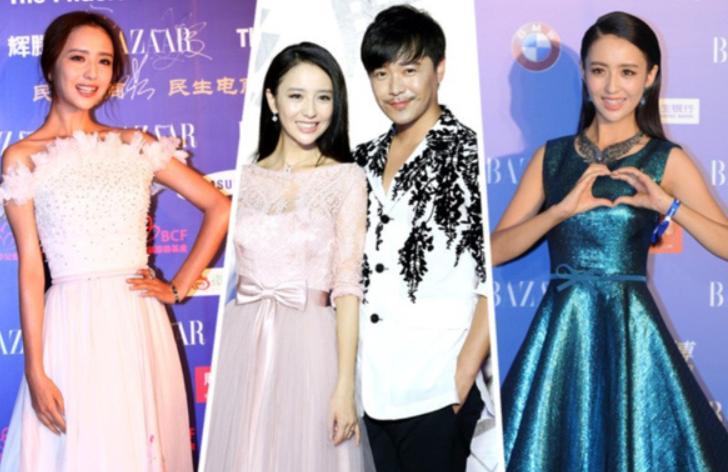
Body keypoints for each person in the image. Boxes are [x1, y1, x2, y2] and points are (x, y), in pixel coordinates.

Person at [492, 11, 728, 471]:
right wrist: (559, 211)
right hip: (562, 335)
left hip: (631, 336)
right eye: (600, 70)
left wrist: (667, 204)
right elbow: (497, 250)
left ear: (650, 78)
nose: (612, 87)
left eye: (628, 72)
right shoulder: (551, 157)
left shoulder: (666, 159)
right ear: (584, 74)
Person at [0, 11, 230, 472]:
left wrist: (178, 286)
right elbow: (30, 267)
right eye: (78, 58)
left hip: (136, 319)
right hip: (70, 323)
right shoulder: (22, 156)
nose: (92, 73)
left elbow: (219, 208)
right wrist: (35, 367)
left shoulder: (135, 145)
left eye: (104, 61)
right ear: (51, 65)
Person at [202, 42, 367, 472]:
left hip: (313, 349)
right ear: (273, 100)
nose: (310, 111)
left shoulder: (346, 178)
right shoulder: (245, 178)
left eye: (323, 97)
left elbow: (348, 285)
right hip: (243, 344)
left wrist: (344, 386)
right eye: (296, 96)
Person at [354, 5, 491, 471]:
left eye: (409, 70)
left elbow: (490, 275)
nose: (395, 87)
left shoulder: (471, 155)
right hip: (369, 388)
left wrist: (462, 376)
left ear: (440, 69)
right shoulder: (360, 161)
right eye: (381, 73)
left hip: (437, 385)